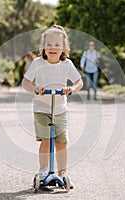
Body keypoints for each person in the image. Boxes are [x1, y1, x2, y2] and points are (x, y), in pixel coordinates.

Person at [22, 25, 83, 189]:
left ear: (64, 47)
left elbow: (79, 81)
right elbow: (26, 82)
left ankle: (62, 172)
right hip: (42, 108)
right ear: (43, 47)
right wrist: (36, 90)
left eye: (57, 45)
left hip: (60, 109)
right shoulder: (38, 63)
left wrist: (72, 89)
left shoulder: (67, 64)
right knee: (46, 140)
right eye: (49, 44)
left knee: (61, 142)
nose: (53, 48)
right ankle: (43, 171)